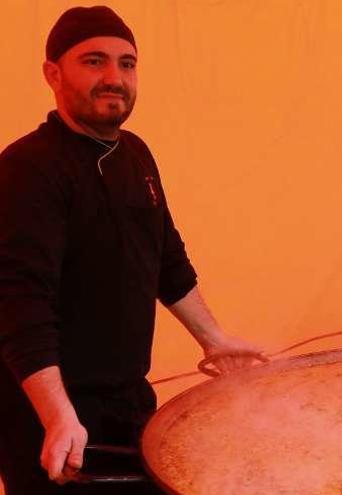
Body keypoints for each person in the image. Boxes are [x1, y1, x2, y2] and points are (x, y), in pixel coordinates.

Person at [0, 6, 262, 494]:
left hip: (128, 400)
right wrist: (59, 417)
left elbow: (167, 261)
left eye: (127, 63)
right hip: (52, 418)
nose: (114, 78)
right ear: (52, 74)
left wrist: (214, 339)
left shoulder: (136, 154)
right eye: (94, 61)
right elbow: (20, 308)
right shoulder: (26, 168)